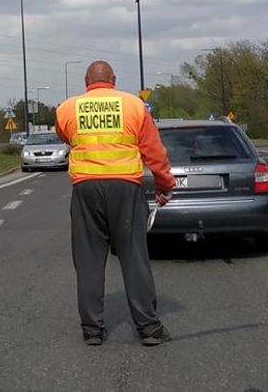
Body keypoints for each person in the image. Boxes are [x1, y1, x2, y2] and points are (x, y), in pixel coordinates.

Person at [55, 60, 176, 347]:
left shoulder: (67, 108)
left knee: (88, 261)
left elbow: (66, 136)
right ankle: (148, 327)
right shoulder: (134, 106)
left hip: (85, 188)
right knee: (134, 256)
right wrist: (164, 185)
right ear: (114, 79)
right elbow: (154, 151)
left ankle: (92, 330)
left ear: (86, 81)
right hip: (126, 187)